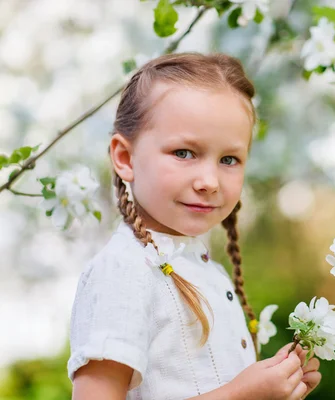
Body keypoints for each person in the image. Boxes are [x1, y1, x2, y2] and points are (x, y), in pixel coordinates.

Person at [67, 53, 321, 399]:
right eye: (184, 153)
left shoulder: (204, 270)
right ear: (125, 158)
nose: (209, 181)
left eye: (228, 159)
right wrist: (240, 395)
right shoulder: (123, 272)